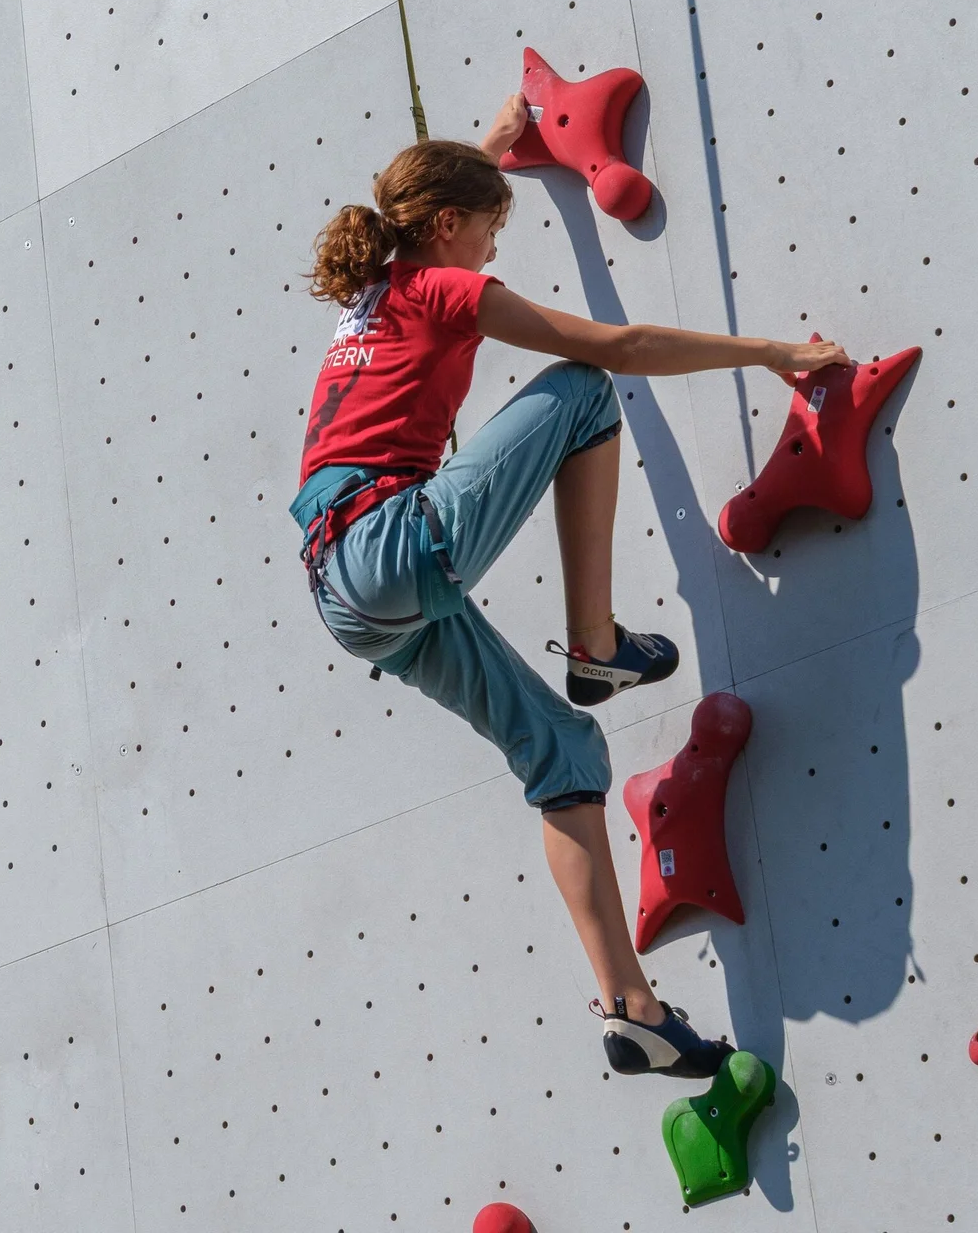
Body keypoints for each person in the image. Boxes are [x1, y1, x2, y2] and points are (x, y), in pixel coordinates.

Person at [293, 111, 850, 1077]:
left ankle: (629, 1007)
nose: (496, 245)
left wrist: (500, 136)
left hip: (345, 597)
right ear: (445, 227)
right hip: (387, 540)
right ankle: (593, 640)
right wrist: (770, 353)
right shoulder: (440, 283)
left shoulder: (376, 293)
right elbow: (620, 346)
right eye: (491, 226)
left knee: (561, 750)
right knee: (588, 389)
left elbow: (427, 193)